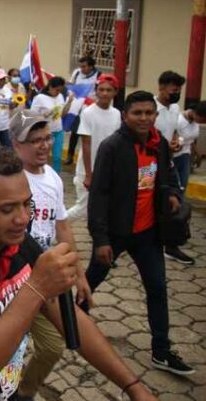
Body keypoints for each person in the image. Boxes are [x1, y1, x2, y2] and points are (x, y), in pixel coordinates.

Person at [0, 145, 159, 401]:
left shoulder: (17, 243)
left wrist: (133, 386)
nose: (23, 218)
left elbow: (68, 316)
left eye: (27, 204)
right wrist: (36, 287)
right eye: (7, 209)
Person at [85, 90, 195, 376]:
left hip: (148, 234)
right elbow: (99, 195)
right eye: (137, 113)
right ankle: (71, 322)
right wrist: (101, 239)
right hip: (115, 233)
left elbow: (167, 175)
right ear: (125, 116)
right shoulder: (112, 147)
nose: (144, 118)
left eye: (149, 113)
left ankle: (161, 351)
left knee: (157, 289)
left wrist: (170, 192)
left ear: (155, 116)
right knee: (90, 282)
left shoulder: (158, 142)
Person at [9, 109, 93, 400]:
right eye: (35, 140)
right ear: (16, 144)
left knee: (54, 346)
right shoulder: (7, 179)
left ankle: (24, 391)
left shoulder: (54, 179)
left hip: (45, 280)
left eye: (47, 138)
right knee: (7, 349)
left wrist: (78, 273)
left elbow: (63, 227)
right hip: (11, 279)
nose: (44, 145)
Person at [66, 74, 122, 220]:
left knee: (104, 209)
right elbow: (86, 144)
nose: (104, 93)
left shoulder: (116, 114)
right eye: (101, 89)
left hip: (108, 169)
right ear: (96, 91)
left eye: (109, 90)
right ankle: (52, 230)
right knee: (83, 209)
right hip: (88, 169)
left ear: (115, 92)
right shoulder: (88, 112)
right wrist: (89, 175)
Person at [153, 71, 192, 265]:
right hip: (151, 160)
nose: (176, 93)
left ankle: (171, 244)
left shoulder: (175, 107)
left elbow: (173, 129)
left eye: (179, 90)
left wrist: (174, 142)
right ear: (161, 87)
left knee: (175, 197)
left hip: (168, 159)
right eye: (173, 90)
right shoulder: (151, 107)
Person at [31, 77, 72, 173]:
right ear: (50, 87)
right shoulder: (40, 98)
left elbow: (62, 115)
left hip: (58, 131)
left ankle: (56, 179)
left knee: (57, 158)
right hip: (44, 134)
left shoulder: (60, 96)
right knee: (42, 157)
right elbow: (32, 115)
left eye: (60, 90)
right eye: (56, 90)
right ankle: (40, 176)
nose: (58, 92)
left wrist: (69, 102)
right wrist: (43, 117)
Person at [64, 56, 100, 165]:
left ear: (91, 66)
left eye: (84, 67)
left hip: (91, 107)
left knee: (90, 132)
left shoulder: (98, 76)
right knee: (75, 131)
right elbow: (72, 85)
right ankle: (70, 155)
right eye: (80, 66)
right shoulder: (77, 73)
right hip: (78, 107)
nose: (82, 69)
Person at [173, 102, 204, 193]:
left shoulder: (195, 122)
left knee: (183, 183)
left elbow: (192, 140)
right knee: (175, 183)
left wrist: (197, 154)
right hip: (174, 156)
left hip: (186, 155)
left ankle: (180, 204)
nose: (202, 122)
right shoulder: (178, 120)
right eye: (202, 119)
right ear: (195, 113)